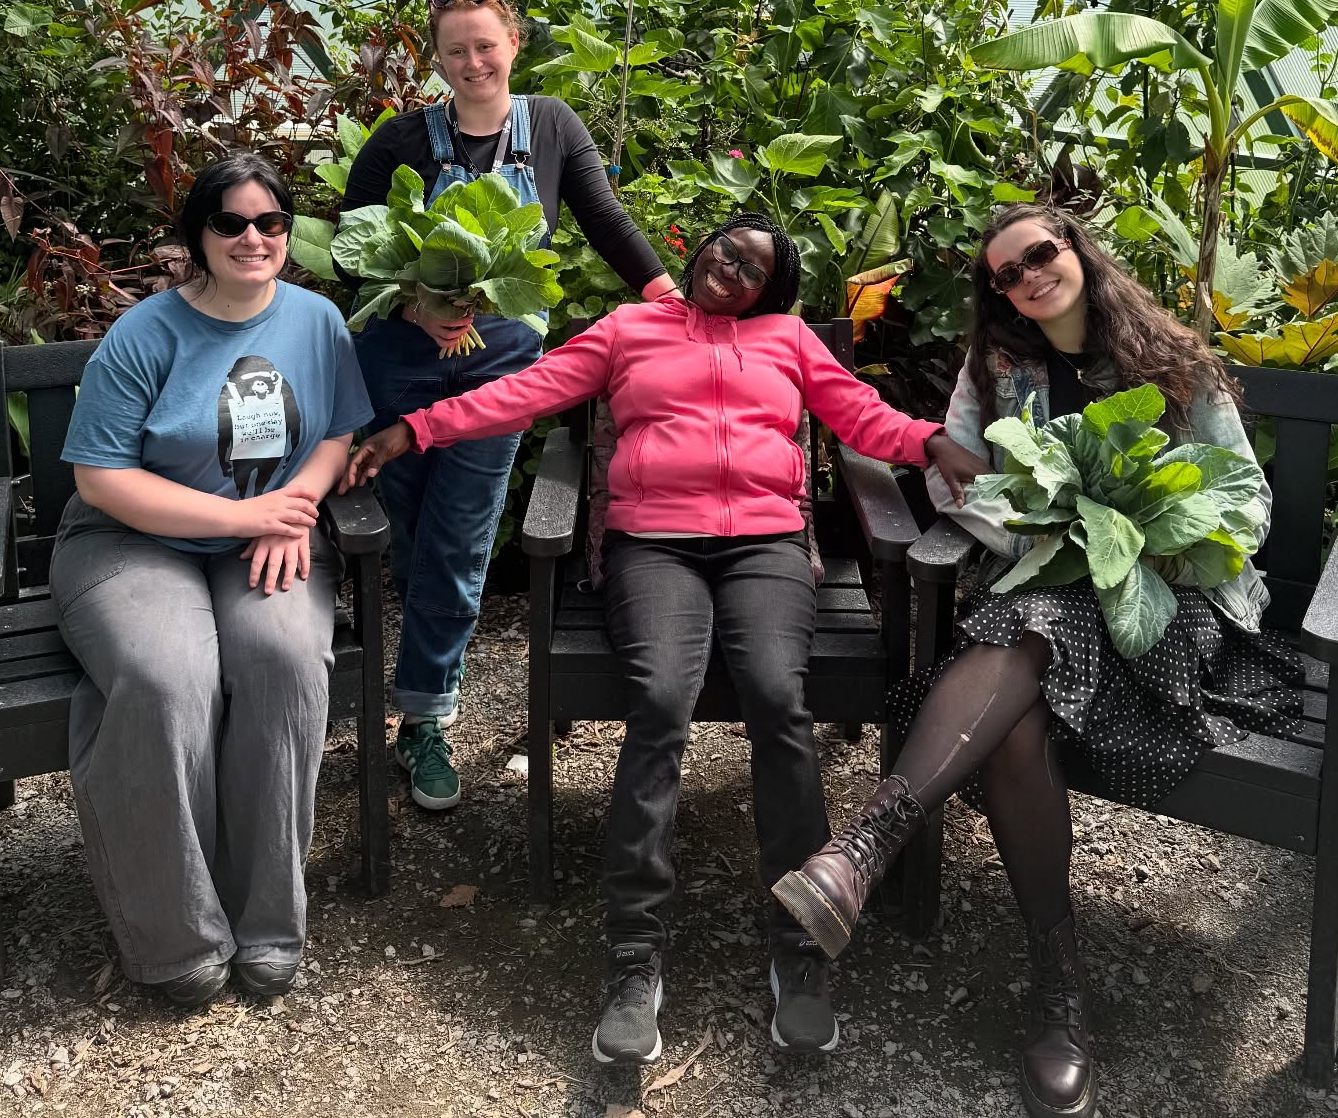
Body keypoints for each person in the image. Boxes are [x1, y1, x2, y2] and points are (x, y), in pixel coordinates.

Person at [339, 212, 988, 1064]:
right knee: (659, 704)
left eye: (753, 266)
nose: (730, 266)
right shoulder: (629, 327)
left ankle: (798, 947)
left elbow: (858, 413)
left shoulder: (789, 339)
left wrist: (931, 440)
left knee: (777, 700)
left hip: (764, 543)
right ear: (697, 250)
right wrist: (415, 427)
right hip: (654, 544)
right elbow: (523, 394)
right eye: (724, 247)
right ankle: (634, 956)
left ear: (770, 288)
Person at [774, 205, 1304, 1118]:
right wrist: (1037, 523)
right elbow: (959, 480)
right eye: (1006, 274)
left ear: (1078, 254)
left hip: (1160, 611)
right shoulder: (997, 370)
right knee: (1020, 707)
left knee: (1026, 642)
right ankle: (1057, 989)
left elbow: (1246, 500)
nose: (1027, 277)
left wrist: (1145, 540)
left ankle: (868, 848)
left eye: (1040, 255)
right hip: (1046, 597)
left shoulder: (1172, 364)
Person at [341, 0, 675, 813]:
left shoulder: (553, 127)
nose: (473, 61)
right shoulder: (397, 143)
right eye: (455, 50)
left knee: (460, 540)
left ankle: (424, 718)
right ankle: (420, 690)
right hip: (402, 365)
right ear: (437, 57)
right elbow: (352, 247)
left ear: (513, 44)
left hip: (499, 373)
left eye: (486, 45)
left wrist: (670, 295)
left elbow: (603, 219)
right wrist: (418, 303)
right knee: (413, 539)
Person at [52, 154, 372, 1007]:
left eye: (269, 222)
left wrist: (294, 506)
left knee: (285, 660)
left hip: (267, 538)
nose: (252, 238)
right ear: (198, 234)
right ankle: (174, 937)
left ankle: (266, 922)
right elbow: (100, 477)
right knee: (165, 677)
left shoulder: (316, 321)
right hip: (133, 540)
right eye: (229, 222)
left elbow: (338, 435)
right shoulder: (146, 333)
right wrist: (245, 519)